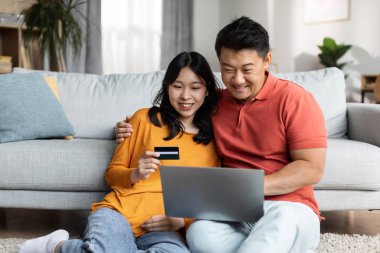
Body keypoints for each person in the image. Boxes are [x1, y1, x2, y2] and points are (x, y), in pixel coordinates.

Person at [116, 16, 327, 253]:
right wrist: (128, 126)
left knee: (281, 221)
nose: (237, 80)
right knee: (198, 233)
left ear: (267, 60)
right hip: (232, 210)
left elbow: (312, 168)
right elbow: (177, 110)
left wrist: (251, 188)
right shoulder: (215, 102)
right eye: (228, 70)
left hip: (288, 207)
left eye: (247, 70)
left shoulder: (295, 99)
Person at [17, 51, 220, 253]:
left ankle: (59, 247)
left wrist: (181, 221)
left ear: (207, 90)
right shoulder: (143, 119)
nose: (185, 96)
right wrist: (135, 174)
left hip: (165, 228)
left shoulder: (214, 140)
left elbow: (210, 197)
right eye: (177, 86)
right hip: (119, 214)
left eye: (195, 88)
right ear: (167, 87)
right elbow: (112, 174)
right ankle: (62, 246)